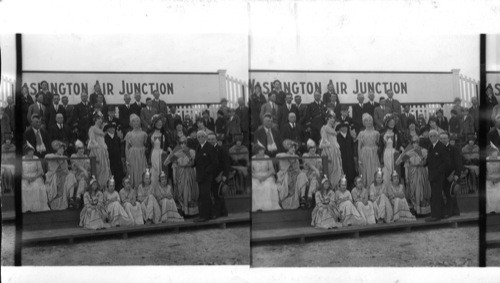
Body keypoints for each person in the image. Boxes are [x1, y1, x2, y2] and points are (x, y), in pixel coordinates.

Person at [396, 135, 431, 216]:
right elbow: (402, 164)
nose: (415, 144)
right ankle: (416, 210)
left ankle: (424, 211)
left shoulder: (424, 151)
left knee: (422, 191)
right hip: (412, 173)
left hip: (422, 172)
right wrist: (407, 177)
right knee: (413, 192)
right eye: (413, 142)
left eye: (417, 142)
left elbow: (428, 163)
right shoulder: (409, 152)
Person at [165, 136, 199, 216]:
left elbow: (196, 162)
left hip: (190, 173)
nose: (183, 144)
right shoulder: (177, 152)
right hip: (180, 174)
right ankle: (183, 211)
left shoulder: (192, 152)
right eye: (181, 143)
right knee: (181, 192)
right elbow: (167, 162)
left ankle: (191, 212)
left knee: (189, 192)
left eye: (185, 142)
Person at [425, 129, 450, 222]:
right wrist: (423, 163)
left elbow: (446, 162)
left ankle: (435, 216)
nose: (432, 138)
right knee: (437, 194)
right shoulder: (430, 146)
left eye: (433, 136)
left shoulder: (441, 147)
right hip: (432, 174)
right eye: (430, 136)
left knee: (435, 195)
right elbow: (429, 159)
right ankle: (443, 213)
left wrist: (438, 171)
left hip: (438, 175)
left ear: (437, 136)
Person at [276, 139, 308, 209]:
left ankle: (302, 198)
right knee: (289, 181)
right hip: (287, 176)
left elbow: (298, 169)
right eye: (292, 147)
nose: (293, 149)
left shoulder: (296, 156)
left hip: (296, 174)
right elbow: (278, 156)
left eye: (294, 148)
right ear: (288, 148)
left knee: (303, 175)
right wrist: (290, 156)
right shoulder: (284, 156)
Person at [45, 140, 78, 210]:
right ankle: (61, 201)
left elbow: (66, 170)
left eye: (63, 149)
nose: (62, 150)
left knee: (71, 176)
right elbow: (46, 156)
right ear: (57, 149)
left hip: (64, 176)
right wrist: (60, 157)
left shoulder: (64, 158)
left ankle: (71, 198)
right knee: (66, 178)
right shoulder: (53, 156)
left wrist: (72, 172)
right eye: (60, 148)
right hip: (55, 176)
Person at [194, 130, 218, 222]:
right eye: (198, 137)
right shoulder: (198, 147)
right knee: (202, 196)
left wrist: (206, 171)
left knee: (205, 195)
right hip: (200, 176)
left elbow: (214, 163)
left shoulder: (210, 147)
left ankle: (205, 216)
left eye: (202, 136)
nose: (200, 138)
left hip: (206, 176)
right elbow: (197, 161)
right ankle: (207, 214)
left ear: (206, 137)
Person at [251, 144, 281, 211]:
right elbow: (251, 172)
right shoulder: (252, 159)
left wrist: (265, 177)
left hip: (267, 175)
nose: (262, 151)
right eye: (261, 150)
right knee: (254, 186)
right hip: (256, 176)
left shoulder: (267, 157)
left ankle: (267, 207)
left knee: (267, 186)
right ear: (257, 151)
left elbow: (272, 169)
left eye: (263, 150)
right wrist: (258, 177)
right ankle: (257, 207)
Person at [21, 144, 50, 212]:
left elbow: (40, 171)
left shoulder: (36, 158)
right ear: (26, 152)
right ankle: (27, 207)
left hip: (35, 176)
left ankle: (36, 208)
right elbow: (20, 172)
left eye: (32, 151)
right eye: (30, 151)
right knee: (23, 187)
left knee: (36, 186)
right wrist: (27, 178)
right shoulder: (22, 159)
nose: (32, 152)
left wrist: (34, 177)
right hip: (25, 177)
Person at [319, 111, 343, 187]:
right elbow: (324, 142)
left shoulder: (333, 128)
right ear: (327, 118)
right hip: (329, 151)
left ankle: (336, 188)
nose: (333, 120)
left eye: (333, 118)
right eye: (331, 118)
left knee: (338, 170)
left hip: (335, 151)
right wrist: (328, 152)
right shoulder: (324, 128)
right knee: (330, 171)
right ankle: (331, 188)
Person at [379, 114, 404, 186]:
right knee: (387, 171)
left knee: (395, 171)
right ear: (386, 123)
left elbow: (399, 144)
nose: (392, 123)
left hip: (395, 154)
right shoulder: (382, 134)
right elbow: (380, 147)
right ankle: (387, 188)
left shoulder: (397, 133)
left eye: (393, 122)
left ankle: (395, 188)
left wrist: (401, 149)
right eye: (390, 122)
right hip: (386, 154)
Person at [441, 132, 461, 217]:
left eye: (445, 138)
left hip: (451, 175)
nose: (443, 140)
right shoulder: (438, 149)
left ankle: (448, 213)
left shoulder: (453, 149)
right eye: (441, 139)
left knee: (450, 193)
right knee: (448, 194)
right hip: (442, 175)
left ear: (448, 139)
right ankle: (455, 212)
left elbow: (458, 163)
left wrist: (457, 174)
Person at [125, 114, 148, 189]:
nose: (136, 123)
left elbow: (147, 146)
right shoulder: (129, 134)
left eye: (137, 121)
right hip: (133, 155)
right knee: (133, 171)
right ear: (131, 123)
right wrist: (127, 159)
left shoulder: (144, 134)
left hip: (141, 155)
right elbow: (127, 147)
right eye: (134, 121)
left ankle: (142, 189)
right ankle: (134, 190)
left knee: (142, 171)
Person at [209, 133, 229, 218]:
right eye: (209, 139)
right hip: (210, 176)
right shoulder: (207, 150)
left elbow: (226, 164)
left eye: (213, 139)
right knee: (214, 194)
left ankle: (216, 214)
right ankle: (224, 212)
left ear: (216, 140)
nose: (211, 141)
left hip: (220, 176)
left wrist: (224, 175)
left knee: (218, 194)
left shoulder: (221, 149)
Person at [88, 114, 111, 188]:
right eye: (98, 119)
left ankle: (104, 187)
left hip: (103, 151)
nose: (100, 121)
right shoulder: (92, 128)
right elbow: (92, 141)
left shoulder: (101, 130)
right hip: (97, 151)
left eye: (101, 119)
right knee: (98, 170)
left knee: (105, 169)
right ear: (95, 120)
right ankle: (99, 187)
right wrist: (96, 152)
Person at [357, 113, 380, 187]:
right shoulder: (361, 133)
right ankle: (366, 189)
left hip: (374, 154)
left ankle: (375, 187)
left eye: (370, 120)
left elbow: (379, 145)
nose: (368, 122)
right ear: (364, 122)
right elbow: (359, 147)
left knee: (374, 170)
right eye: (366, 121)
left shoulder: (376, 133)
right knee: (366, 171)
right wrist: (360, 158)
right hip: (365, 154)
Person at [147, 115, 170, 189]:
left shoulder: (165, 134)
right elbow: (148, 147)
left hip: (163, 155)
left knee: (163, 172)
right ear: (154, 123)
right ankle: (154, 190)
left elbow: (168, 145)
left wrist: (167, 150)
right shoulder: (150, 134)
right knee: (154, 172)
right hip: (154, 155)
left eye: (161, 122)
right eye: (158, 122)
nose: (160, 124)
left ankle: (163, 190)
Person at [103, 122, 124, 191]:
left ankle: (118, 191)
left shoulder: (117, 137)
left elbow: (120, 149)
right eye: (111, 128)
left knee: (119, 177)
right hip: (110, 161)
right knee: (111, 177)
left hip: (118, 161)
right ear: (108, 129)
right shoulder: (105, 138)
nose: (112, 129)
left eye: (113, 128)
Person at [302, 139, 322, 207]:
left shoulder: (318, 156)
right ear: (308, 149)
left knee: (314, 178)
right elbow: (309, 164)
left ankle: (309, 197)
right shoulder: (305, 155)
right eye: (311, 148)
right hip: (306, 175)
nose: (313, 149)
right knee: (314, 180)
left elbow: (319, 168)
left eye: (314, 147)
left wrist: (315, 171)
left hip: (314, 175)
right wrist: (315, 170)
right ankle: (311, 198)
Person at [337, 121, 357, 191]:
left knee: (351, 176)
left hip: (350, 161)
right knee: (343, 177)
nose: (345, 128)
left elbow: (353, 148)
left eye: (346, 127)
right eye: (343, 127)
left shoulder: (350, 137)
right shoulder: (337, 137)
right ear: (340, 128)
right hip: (342, 160)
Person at [70, 140, 90, 207]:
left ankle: (78, 198)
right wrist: (84, 170)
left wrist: (85, 171)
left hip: (83, 177)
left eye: (82, 148)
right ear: (77, 149)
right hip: (75, 176)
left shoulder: (86, 157)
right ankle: (77, 198)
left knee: (83, 180)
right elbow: (77, 164)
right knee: (81, 179)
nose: (81, 150)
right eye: (80, 149)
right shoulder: (73, 156)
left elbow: (88, 168)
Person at [487, 147, 500, 214]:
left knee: (498, 194)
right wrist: (489, 178)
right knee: (487, 194)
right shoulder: (486, 160)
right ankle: (491, 210)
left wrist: (498, 179)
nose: (495, 158)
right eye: (493, 156)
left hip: (499, 179)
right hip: (489, 179)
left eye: (496, 156)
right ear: (489, 155)